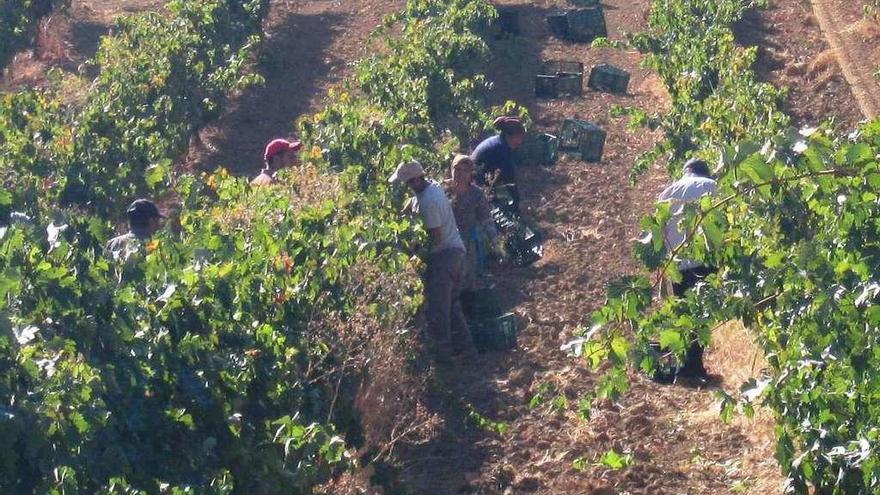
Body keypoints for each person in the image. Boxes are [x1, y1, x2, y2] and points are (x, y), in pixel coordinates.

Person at [388, 160, 474, 358]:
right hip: (457, 252)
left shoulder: (428, 202)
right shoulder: (432, 187)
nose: (406, 188)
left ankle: (443, 354)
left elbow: (436, 236)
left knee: (438, 309)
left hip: (445, 256)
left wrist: (416, 255)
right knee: (451, 305)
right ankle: (467, 349)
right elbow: (415, 202)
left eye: (408, 183)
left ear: (416, 180)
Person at [656, 158, 718, 380]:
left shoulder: (667, 193)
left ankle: (687, 366)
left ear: (685, 172)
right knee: (701, 314)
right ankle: (692, 368)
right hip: (704, 261)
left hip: (677, 264)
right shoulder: (711, 186)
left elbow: (659, 231)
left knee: (684, 315)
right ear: (705, 172)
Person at [445, 154, 499, 291]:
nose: (460, 174)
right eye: (457, 169)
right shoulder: (443, 191)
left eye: (465, 170)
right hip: (446, 241)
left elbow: (486, 219)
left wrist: (495, 242)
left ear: (470, 174)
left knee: (469, 278)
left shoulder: (476, 195)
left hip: (468, 242)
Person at [470, 116, 527, 214]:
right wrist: (517, 206)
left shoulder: (498, 142)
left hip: (478, 182)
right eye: (520, 137)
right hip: (476, 188)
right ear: (512, 136)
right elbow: (509, 181)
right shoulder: (500, 149)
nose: (521, 141)